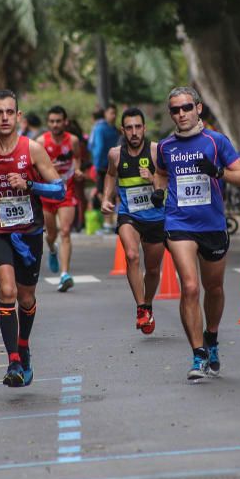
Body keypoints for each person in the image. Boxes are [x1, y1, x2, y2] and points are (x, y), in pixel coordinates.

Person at [0, 90, 64, 387]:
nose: (4, 118)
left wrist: (30, 184)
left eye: (10, 112)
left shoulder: (32, 149)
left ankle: (23, 345)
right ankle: (13, 362)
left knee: (26, 296)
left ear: (18, 116)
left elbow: (59, 189)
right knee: (6, 289)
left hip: (29, 232)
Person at [154, 87, 240, 381]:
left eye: (186, 107)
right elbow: (160, 172)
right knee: (191, 287)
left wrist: (218, 172)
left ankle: (211, 338)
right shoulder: (165, 147)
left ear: (198, 108)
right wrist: (159, 192)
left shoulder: (215, 141)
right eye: (175, 110)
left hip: (212, 224)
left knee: (214, 288)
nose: (181, 114)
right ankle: (197, 355)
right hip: (179, 222)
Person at [102, 108, 166, 334]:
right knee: (131, 255)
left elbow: (168, 179)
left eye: (138, 127)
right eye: (129, 128)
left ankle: (147, 304)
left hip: (156, 217)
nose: (134, 132)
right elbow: (110, 174)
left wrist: (154, 178)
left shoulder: (157, 151)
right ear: (123, 130)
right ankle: (141, 308)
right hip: (130, 215)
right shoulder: (116, 154)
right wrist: (106, 198)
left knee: (153, 268)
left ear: (144, 128)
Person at [37, 106, 81, 293]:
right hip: (47, 193)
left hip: (65, 191)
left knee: (65, 231)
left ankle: (65, 274)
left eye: (58, 121)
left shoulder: (73, 140)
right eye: (52, 121)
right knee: (51, 235)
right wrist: (46, 167)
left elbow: (77, 158)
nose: (55, 124)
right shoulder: (40, 142)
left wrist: (77, 170)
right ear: (48, 123)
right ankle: (52, 250)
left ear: (65, 122)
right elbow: (32, 167)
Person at [90, 104, 121, 232]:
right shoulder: (101, 129)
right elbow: (98, 147)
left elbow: (94, 146)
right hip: (103, 166)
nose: (113, 116)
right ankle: (109, 222)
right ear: (105, 114)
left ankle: (110, 223)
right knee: (104, 192)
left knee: (111, 193)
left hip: (113, 165)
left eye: (115, 113)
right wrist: (97, 165)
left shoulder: (115, 129)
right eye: (111, 113)